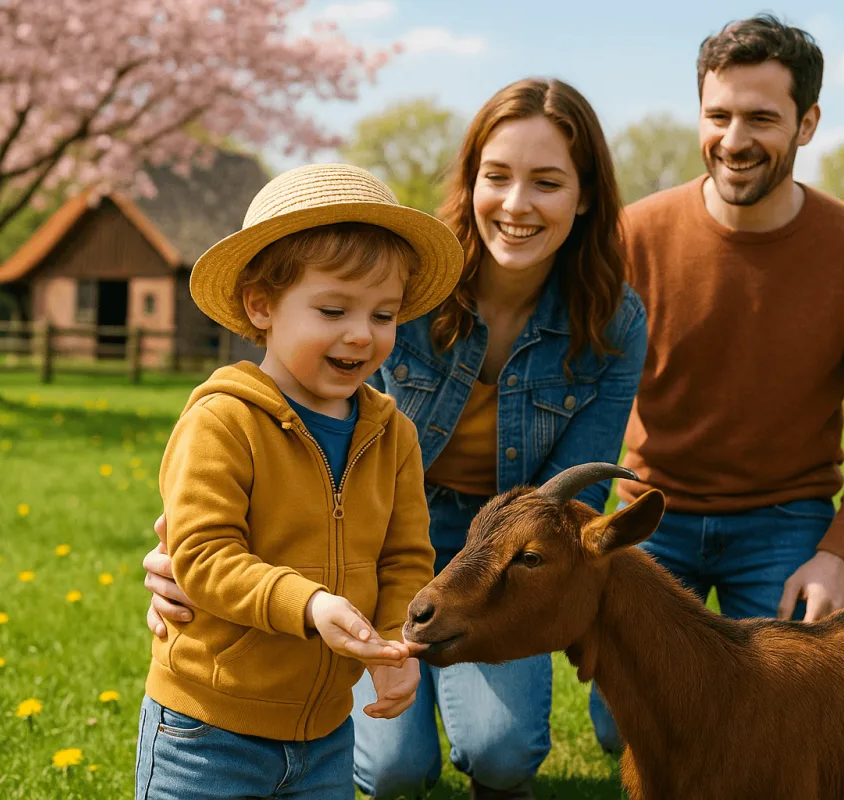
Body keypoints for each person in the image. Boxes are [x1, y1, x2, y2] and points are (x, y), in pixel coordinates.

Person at [143, 78, 648, 799]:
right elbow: (251, 491)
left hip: (502, 554)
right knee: (391, 769)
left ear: (586, 195)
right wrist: (187, 560)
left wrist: (455, 600)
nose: (516, 204)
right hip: (361, 550)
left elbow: (569, 498)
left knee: (502, 752)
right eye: (496, 176)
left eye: (547, 182)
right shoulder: (384, 281)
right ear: (469, 181)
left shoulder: (611, 321)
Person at [588, 14, 844, 753]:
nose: (734, 139)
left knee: (777, 726)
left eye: (762, 119)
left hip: (786, 519)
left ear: (807, 124)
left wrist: (839, 554)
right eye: (718, 116)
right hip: (653, 511)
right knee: (628, 728)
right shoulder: (632, 238)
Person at [134, 162, 465, 799]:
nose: (361, 334)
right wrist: (309, 605)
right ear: (261, 305)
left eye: (384, 314)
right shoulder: (223, 421)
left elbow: (404, 556)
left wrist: (393, 645)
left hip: (326, 734)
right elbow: (203, 556)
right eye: (333, 309)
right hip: (207, 728)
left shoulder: (393, 434)